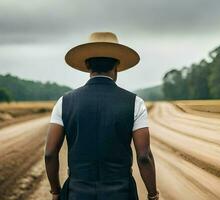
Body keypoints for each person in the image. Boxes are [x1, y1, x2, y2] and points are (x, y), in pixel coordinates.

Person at [44, 32, 159, 200]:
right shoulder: (135, 103)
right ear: (116, 67)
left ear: (88, 67)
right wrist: (152, 194)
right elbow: (144, 156)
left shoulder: (64, 102)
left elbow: (49, 154)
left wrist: (56, 191)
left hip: (77, 193)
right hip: (121, 193)